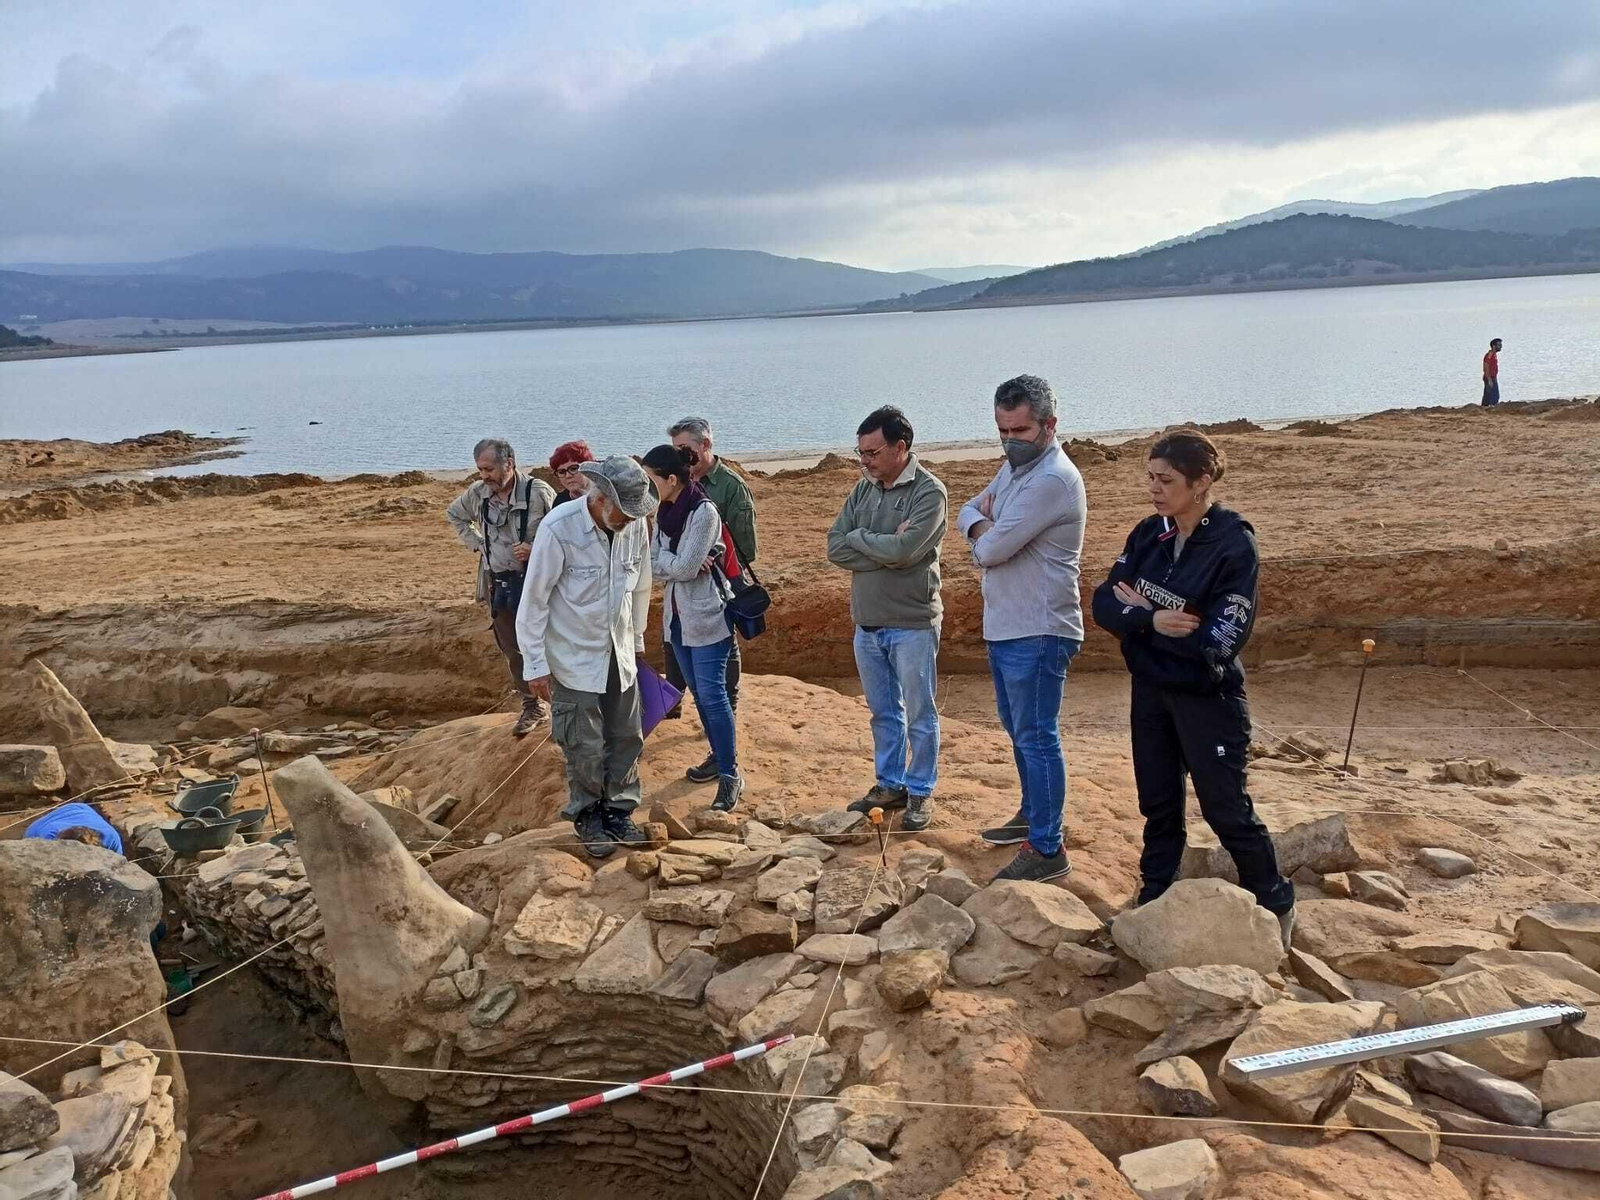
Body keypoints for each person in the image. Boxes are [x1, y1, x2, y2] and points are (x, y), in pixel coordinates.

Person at [1090, 429, 1295, 944]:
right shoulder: (1148, 534)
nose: (1155, 490)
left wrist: (1138, 616)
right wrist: (1153, 620)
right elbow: (1102, 605)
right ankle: (1154, 896)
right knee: (1157, 802)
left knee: (1226, 808)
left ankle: (1273, 903)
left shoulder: (1233, 543)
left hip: (1209, 699)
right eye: (1151, 479)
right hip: (1151, 693)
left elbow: (1218, 641)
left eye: (1167, 480)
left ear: (1201, 483)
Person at [957, 375, 1087, 882]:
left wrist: (988, 533)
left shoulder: (1052, 479)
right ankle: (1034, 816)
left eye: (1021, 429)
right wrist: (987, 527)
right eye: (1002, 429)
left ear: (1050, 425)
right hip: (1008, 625)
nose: (1010, 439)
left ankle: (1047, 847)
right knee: (1019, 730)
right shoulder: (1015, 469)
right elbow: (971, 511)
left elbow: (989, 550)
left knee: (1036, 735)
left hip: (1040, 627)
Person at [515, 455, 656, 858]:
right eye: (624, 513)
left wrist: (638, 640)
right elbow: (534, 602)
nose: (630, 521)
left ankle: (619, 808)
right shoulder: (558, 529)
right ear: (599, 498)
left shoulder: (633, 528)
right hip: (573, 655)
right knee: (584, 742)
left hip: (620, 650)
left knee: (627, 734)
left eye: (635, 514)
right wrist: (536, 665)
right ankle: (588, 814)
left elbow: (641, 585)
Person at [826, 406, 948, 831]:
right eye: (860, 453)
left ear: (901, 448)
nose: (865, 461)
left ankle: (920, 791)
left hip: (912, 623)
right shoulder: (864, 489)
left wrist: (863, 542)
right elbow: (835, 547)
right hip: (868, 623)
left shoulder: (929, 492)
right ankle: (890, 783)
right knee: (882, 712)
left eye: (872, 452)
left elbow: (906, 552)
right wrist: (877, 545)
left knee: (919, 712)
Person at [642, 443, 744, 811]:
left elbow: (680, 568)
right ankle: (718, 757)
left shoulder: (703, 512)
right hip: (676, 619)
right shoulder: (663, 511)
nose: (648, 487)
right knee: (700, 696)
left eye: (651, 479)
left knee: (714, 696)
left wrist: (677, 564)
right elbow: (652, 565)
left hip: (706, 617)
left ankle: (731, 774)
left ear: (671, 479)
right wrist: (679, 563)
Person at [446, 438, 557, 737]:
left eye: (490, 469)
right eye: (480, 469)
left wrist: (535, 548)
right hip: (500, 585)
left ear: (510, 463)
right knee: (512, 648)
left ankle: (563, 706)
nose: (485, 476)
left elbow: (562, 532)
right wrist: (478, 545)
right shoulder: (478, 493)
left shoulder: (538, 492)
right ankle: (532, 705)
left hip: (537, 584)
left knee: (548, 644)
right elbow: (454, 515)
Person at [663, 417, 759, 746]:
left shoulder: (730, 487)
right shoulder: (672, 485)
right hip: (682, 584)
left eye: (684, 449)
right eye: (675, 450)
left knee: (724, 647)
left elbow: (746, 547)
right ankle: (677, 703)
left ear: (705, 446)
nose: (679, 456)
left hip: (722, 582)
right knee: (675, 644)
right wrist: (683, 560)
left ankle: (725, 717)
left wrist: (708, 554)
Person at [25, 802, 124, 854]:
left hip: (78, 809)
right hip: (38, 827)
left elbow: (120, 866)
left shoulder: (111, 838)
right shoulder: (47, 839)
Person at [549, 440, 595, 507]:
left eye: (573, 469)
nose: (568, 476)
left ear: (588, 467)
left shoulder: (605, 495)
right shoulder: (560, 502)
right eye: (561, 472)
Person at [1482, 337, 1503, 406]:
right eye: (1499, 345)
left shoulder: (1494, 355)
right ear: (1494, 346)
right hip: (1490, 377)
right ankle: (1490, 407)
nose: (1500, 347)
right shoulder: (1489, 355)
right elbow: (1486, 367)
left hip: (1493, 377)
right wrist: (1489, 379)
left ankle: (1486, 407)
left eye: (1500, 345)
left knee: (1490, 395)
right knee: (1493, 395)